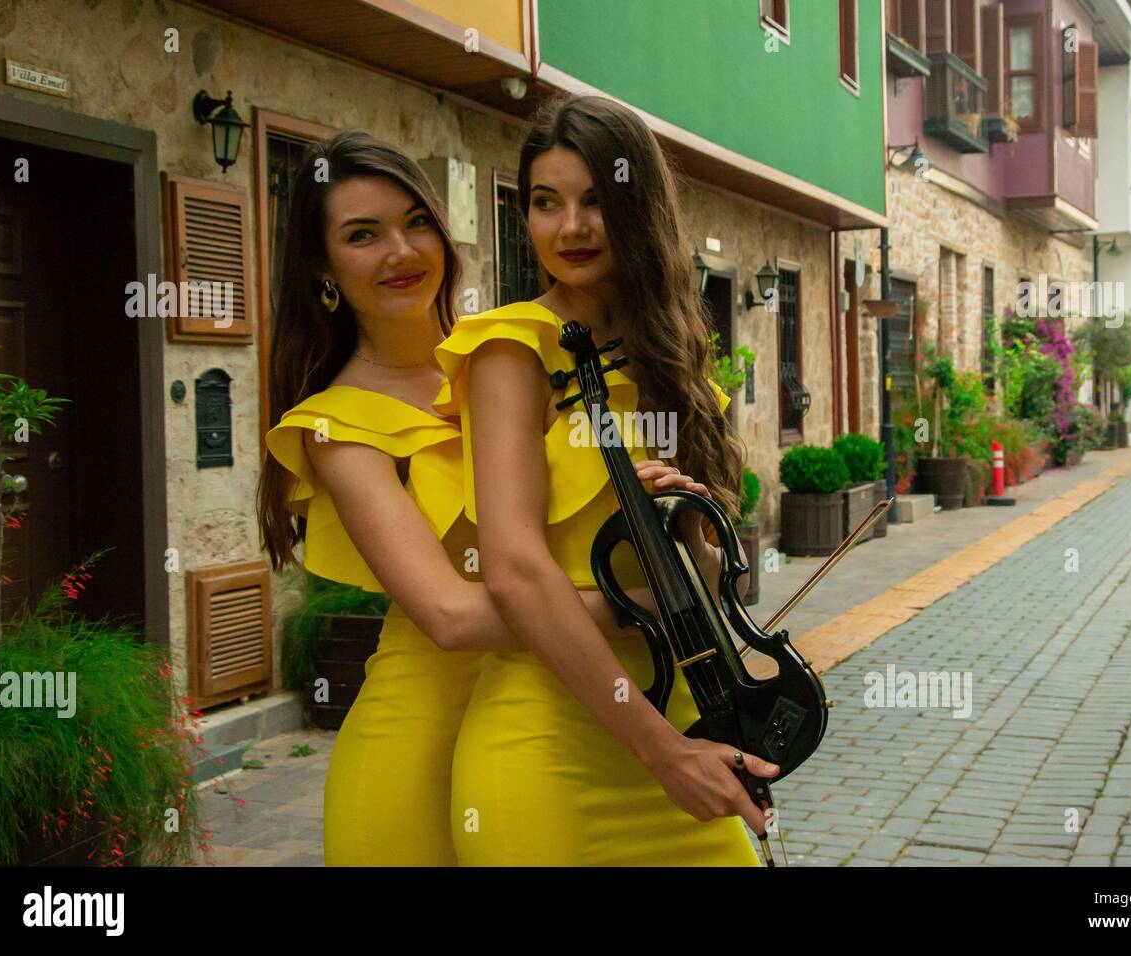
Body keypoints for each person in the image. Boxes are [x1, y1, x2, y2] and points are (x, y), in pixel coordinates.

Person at [256, 131, 703, 865]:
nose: (401, 252)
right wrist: (645, 599)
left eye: (417, 221)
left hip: (569, 719)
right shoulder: (337, 425)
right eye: (363, 235)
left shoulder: (516, 352)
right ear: (323, 267)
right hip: (416, 753)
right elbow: (451, 615)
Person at [436, 95, 776, 866]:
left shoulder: (671, 363)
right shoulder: (510, 350)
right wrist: (663, 751)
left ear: (637, 208)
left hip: (684, 716)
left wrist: (693, 518)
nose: (570, 228)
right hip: (548, 751)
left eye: (595, 201)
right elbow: (517, 571)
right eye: (545, 203)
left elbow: (712, 576)